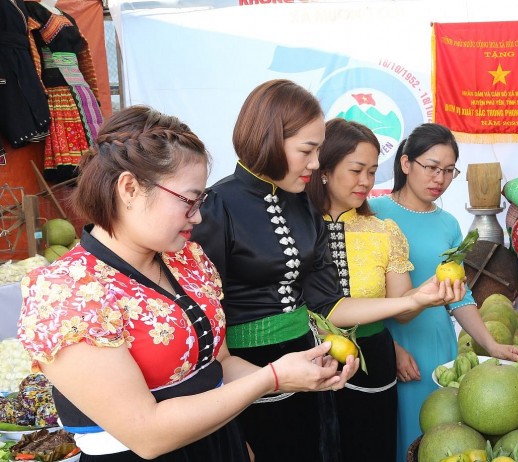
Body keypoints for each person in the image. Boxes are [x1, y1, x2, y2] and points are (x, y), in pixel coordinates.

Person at [16, 105, 357, 462]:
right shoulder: (66, 291)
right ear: (130, 188)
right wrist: (270, 378)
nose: (197, 217)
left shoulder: (186, 259)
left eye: (200, 201)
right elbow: (147, 434)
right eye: (189, 201)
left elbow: (218, 365)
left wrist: (295, 374)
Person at [191, 80, 464, 462]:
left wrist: (415, 299)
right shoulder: (218, 205)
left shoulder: (303, 207)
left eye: (318, 150)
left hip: (311, 365)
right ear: (269, 139)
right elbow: (202, 324)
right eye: (307, 150)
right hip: (247, 375)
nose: (316, 162)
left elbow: (329, 305)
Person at [369, 122, 518, 461]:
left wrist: (491, 345)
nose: (439, 179)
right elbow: (361, 293)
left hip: (437, 345)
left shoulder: (448, 223)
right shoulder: (375, 213)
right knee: (397, 436)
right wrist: (390, 348)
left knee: (440, 436)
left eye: (448, 171)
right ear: (405, 163)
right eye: (431, 167)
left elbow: (460, 295)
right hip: (391, 342)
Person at [306, 118, 424, 460]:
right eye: (356, 170)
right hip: (308, 361)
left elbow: (402, 310)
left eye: (372, 172)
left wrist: (430, 295)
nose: (366, 182)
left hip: (374, 360)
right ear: (324, 169)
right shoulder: (296, 228)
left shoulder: (384, 231)